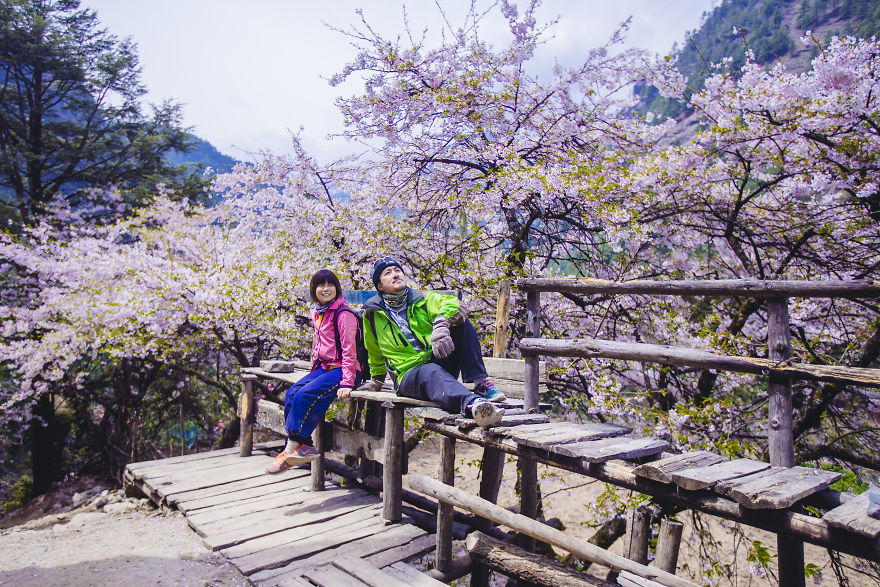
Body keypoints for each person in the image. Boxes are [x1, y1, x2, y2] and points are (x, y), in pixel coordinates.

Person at [360, 256, 505, 428]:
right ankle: (474, 405)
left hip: (436, 360)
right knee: (430, 371)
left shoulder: (422, 300)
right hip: (408, 374)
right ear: (379, 286)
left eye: (398, 270)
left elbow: (453, 303)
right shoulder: (372, 314)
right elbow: (374, 350)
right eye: (387, 273)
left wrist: (441, 323)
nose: (395, 274)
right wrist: (377, 381)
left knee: (462, 324)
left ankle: (480, 383)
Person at [266, 269, 363, 474]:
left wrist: (347, 382)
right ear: (314, 290)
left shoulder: (343, 315)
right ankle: (302, 445)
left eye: (330, 284)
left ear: (337, 288)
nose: (326, 289)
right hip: (325, 368)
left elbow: (349, 350)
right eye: (321, 285)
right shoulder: (318, 313)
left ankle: (292, 449)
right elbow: (319, 346)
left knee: (304, 395)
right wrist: (313, 372)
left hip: (346, 370)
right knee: (292, 393)